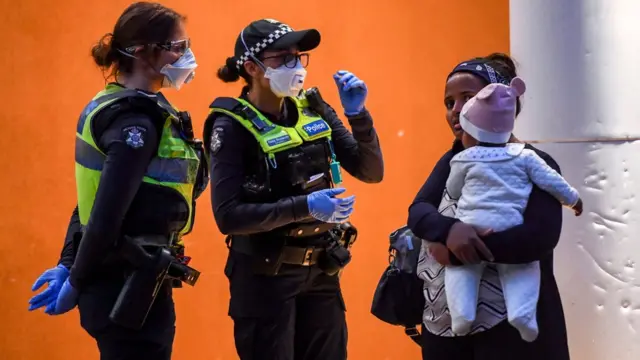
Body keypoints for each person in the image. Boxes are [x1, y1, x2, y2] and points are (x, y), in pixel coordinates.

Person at [27, 2, 208, 359]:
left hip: (133, 280)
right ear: (142, 52)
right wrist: (75, 278)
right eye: (178, 47)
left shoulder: (124, 105)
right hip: (124, 287)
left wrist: (69, 261)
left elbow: (90, 198)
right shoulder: (135, 123)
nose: (187, 57)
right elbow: (106, 214)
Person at [204, 19, 384, 360]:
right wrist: (305, 207)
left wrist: (358, 115)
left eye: (298, 56)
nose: (295, 66)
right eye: (282, 58)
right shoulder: (231, 125)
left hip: (321, 267)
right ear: (251, 67)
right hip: (265, 274)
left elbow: (370, 171)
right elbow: (228, 216)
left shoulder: (312, 107)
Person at [407, 53, 571, 360]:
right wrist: (450, 229)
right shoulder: (451, 160)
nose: (455, 110)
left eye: (466, 98)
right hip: (447, 330)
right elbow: (418, 212)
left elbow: (538, 238)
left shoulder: (532, 163)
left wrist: (459, 250)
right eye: (448, 102)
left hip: (512, 330)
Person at [442, 76, 583, 343]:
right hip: (509, 224)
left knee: (461, 273)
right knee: (522, 271)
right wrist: (574, 200)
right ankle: (523, 314)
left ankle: (461, 315)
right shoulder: (526, 157)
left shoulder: (462, 159)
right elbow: (554, 183)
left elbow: (453, 189)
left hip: (471, 224)